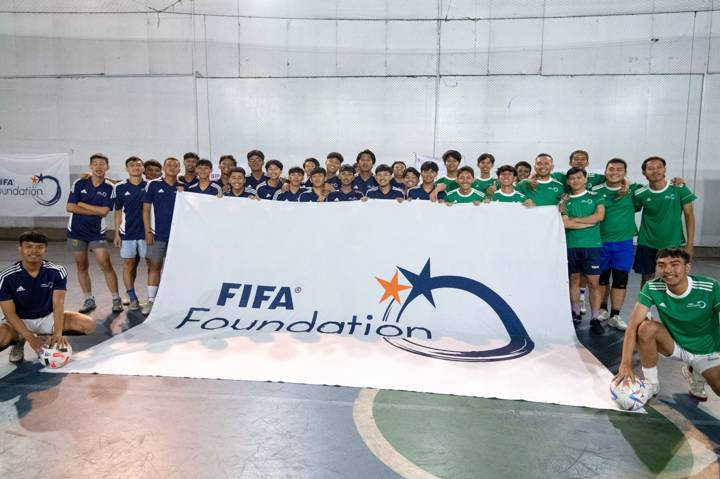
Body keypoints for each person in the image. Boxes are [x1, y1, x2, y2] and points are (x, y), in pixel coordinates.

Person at [614, 248, 720, 402]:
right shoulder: (652, 287)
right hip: (675, 344)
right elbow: (632, 326)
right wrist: (625, 364)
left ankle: (694, 370)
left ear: (687, 268)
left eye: (674, 264)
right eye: (661, 265)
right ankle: (651, 383)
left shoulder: (710, 287)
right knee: (645, 328)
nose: (667, 270)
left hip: (707, 351)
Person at [0, 231, 96, 364]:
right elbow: (9, 313)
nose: (34, 250)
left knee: (88, 324)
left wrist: (57, 333)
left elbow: (58, 303)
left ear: (46, 249)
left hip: (47, 317)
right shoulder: (6, 277)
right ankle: (19, 341)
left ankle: (47, 335)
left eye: (39, 247)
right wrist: (30, 339)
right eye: (29, 246)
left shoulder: (56, 271)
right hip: (19, 320)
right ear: (20, 249)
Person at [66, 153, 122, 314]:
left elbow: (104, 212)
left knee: (105, 264)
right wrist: (94, 210)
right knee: (81, 265)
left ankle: (116, 298)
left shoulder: (109, 188)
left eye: (102, 164)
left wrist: (82, 204)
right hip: (75, 232)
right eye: (95, 163)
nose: (98, 166)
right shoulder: (79, 183)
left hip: (97, 233)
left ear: (107, 167)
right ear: (91, 166)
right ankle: (88, 299)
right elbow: (70, 207)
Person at [633, 156, 696, 289]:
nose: (655, 171)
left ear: (664, 170)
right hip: (647, 242)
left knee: (674, 278)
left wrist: (690, 244)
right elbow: (627, 209)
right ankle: (646, 309)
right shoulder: (640, 193)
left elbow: (689, 216)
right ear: (644, 173)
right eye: (650, 168)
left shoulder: (679, 188)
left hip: (673, 243)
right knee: (647, 278)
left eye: (659, 167)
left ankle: (673, 308)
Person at [591, 158, 638, 331]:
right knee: (602, 278)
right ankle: (602, 309)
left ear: (625, 173)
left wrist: (677, 182)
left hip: (624, 244)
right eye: (611, 169)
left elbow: (653, 188)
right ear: (605, 171)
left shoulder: (632, 190)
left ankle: (615, 315)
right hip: (599, 242)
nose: (615, 172)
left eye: (619, 170)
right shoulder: (595, 191)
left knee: (620, 279)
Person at [561, 167, 605, 334]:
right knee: (573, 280)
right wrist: (588, 222)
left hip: (592, 245)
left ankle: (595, 318)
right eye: (572, 179)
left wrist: (576, 220)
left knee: (594, 283)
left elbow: (599, 217)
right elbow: (566, 223)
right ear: (568, 181)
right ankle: (576, 314)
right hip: (571, 245)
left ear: (585, 179)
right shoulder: (565, 200)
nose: (575, 181)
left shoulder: (595, 196)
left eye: (579, 178)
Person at [142, 157, 182, 316]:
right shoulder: (153, 185)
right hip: (157, 235)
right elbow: (145, 210)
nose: (172, 168)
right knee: (154, 267)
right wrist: (148, 231)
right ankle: (151, 301)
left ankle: (172, 300)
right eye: (169, 165)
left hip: (178, 237)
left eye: (175, 166)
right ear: (164, 168)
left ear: (179, 169)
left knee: (176, 270)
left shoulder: (183, 187)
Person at [113, 156, 147, 311]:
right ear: (127, 169)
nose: (135, 167)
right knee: (129, 265)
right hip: (127, 234)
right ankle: (132, 297)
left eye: (138, 165)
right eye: (132, 165)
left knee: (152, 265)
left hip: (147, 234)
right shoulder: (120, 187)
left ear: (143, 168)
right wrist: (116, 233)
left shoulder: (150, 185)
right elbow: (118, 212)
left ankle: (153, 298)